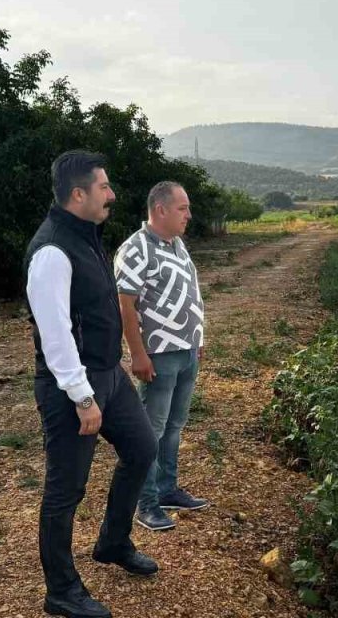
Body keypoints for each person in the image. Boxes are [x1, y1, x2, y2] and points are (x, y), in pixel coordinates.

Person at [25, 151, 158, 618]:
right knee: (65, 490)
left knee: (143, 449)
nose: (112, 195)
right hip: (71, 386)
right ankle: (61, 591)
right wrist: (82, 396)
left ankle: (113, 542)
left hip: (109, 375)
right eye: (104, 187)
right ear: (78, 194)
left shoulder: (87, 238)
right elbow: (56, 333)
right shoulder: (52, 251)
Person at [113, 181, 209, 531]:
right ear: (161, 209)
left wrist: (197, 336)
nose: (189, 214)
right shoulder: (136, 249)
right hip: (159, 355)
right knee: (150, 431)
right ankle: (146, 503)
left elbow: (190, 293)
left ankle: (167, 489)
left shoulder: (177, 245)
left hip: (186, 352)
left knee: (174, 426)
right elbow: (126, 303)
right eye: (183, 208)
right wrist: (137, 354)